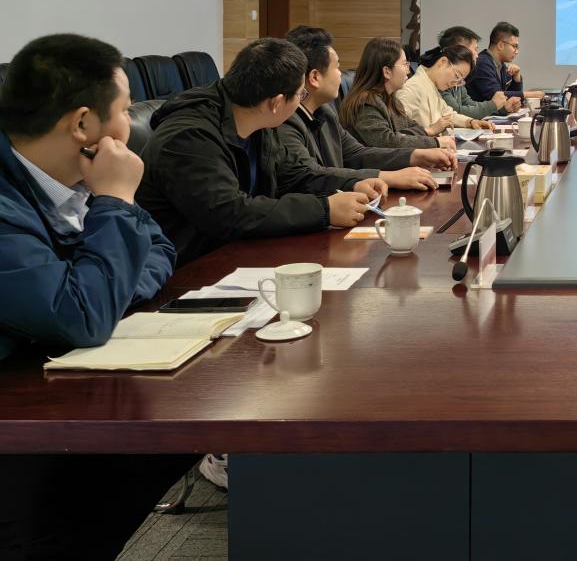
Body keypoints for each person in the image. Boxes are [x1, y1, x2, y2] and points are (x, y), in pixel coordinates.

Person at [0, 35, 193, 557]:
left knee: (170, 436)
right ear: (84, 124)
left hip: (53, 381)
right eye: (126, 110)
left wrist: (105, 283)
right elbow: (81, 314)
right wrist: (115, 201)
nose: (131, 122)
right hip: (18, 416)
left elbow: (159, 247)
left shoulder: (75, 176)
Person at [138, 38, 376, 265]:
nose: (301, 102)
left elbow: (294, 173)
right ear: (276, 103)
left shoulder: (259, 122)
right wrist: (324, 210)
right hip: (189, 271)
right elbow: (229, 213)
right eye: (300, 95)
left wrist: (354, 183)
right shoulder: (188, 137)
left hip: (242, 253)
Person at [279, 26, 454, 192]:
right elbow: (311, 175)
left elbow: (356, 153)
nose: (341, 74)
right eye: (337, 67)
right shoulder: (286, 121)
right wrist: (389, 177)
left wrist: (417, 155)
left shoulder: (325, 112)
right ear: (315, 77)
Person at [341, 38, 461, 150]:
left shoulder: (390, 99)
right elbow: (388, 142)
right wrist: (435, 141)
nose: (408, 71)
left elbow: (409, 127)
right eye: (404, 64)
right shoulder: (366, 104)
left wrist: (429, 131)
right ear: (387, 72)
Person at [398, 43, 492, 133]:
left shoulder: (431, 85)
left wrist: (470, 122)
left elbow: (448, 114)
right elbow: (399, 135)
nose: (455, 84)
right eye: (456, 75)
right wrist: (431, 131)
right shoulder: (411, 89)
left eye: (460, 81)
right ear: (443, 62)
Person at [437, 25, 522, 116]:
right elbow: (457, 112)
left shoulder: (501, 66)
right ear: (460, 51)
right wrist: (529, 94)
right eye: (475, 49)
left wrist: (503, 109)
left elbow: (468, 103)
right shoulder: (442, 80)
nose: (477, 55)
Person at [466, 22, 545, 102]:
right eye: (514, 46)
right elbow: (496, 96)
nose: (517, 51)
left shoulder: (501, 65)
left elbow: (512, 99)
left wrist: (516, 79)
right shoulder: (482, 63)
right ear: (500, 45)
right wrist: (530, 95)